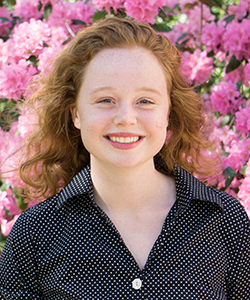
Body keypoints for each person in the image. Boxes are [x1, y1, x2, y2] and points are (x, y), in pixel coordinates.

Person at [0, 17, 249, 299]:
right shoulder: (34, 236)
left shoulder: (224, 220)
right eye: (105, 100)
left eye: (145, 101)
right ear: (76, 113)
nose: (126, 118)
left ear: (168, 112)